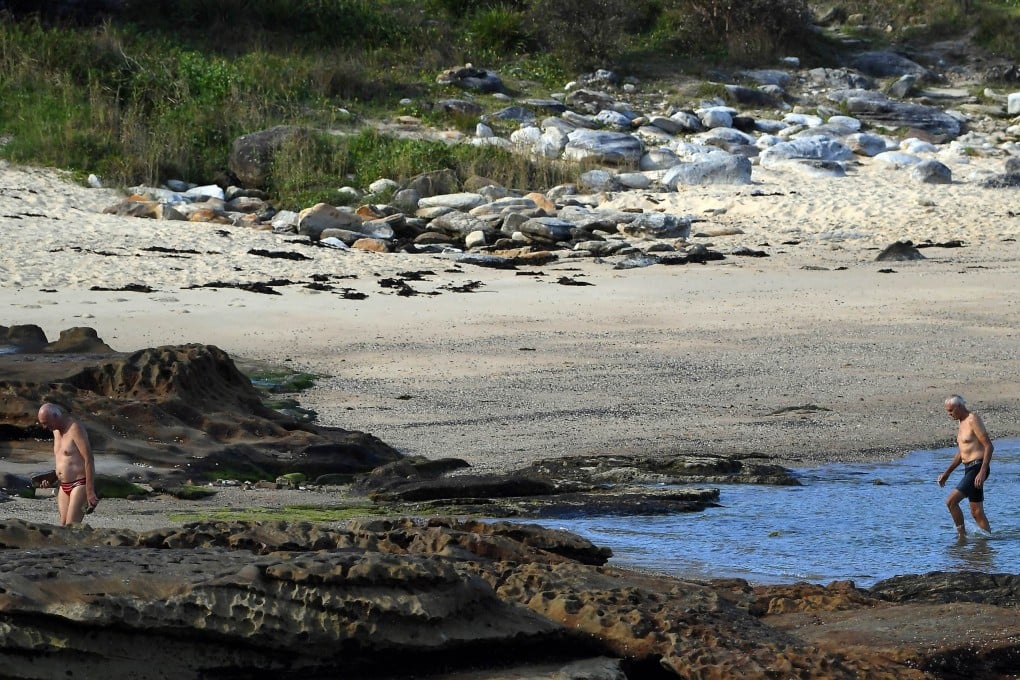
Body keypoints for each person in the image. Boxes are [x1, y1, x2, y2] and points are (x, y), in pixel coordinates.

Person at [936, 395, 993, 537]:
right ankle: (987, 541)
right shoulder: (961, 422)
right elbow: (962, 452)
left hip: (978, 468)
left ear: (959, 407)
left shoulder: (973, 419)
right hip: (969, 469)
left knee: (951, 501)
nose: (949, 414)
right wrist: (947, 472)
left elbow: (989, 446)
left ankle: (961, 537)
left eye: (951, 411)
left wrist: (982, 471)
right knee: (976, 511)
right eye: (947, 411)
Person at [36, 403, 99, 525]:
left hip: (79, 484)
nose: (44, 427)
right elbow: (63, 461)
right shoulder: (55, 431)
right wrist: (51, 479)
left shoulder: (74, 428)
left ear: (55, 416)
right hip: (63, 485)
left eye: (45, 422)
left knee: (71, 526)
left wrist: (90, 491)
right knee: (63, 524)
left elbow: (89, 459)